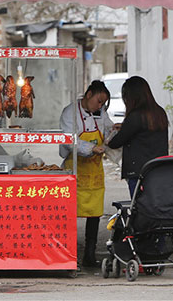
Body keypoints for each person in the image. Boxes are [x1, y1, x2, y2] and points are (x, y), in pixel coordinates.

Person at [59, 80, 114, 267]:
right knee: (69, 212)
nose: (100, 106)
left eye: (103, 103)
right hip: (75, 168)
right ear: (89, 94)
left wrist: (114, 132)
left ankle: (89, 254)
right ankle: (68, 253)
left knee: (94, 214)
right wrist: (91, 148)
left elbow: (107, 130)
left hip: (95, 172)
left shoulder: (100, 113)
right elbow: (69, 141)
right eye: (99, 101)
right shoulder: (70, 113)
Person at [106, 75, 169, 198]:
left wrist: (109, 137)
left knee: (139, 207)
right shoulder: (159, 112)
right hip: (158, 168)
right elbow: (145, 131)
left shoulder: (135, 116)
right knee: (154, 205)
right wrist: (125, 126)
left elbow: (115, 143)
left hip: (138, 172)